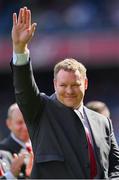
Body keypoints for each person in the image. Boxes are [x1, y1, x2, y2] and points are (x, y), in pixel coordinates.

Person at [11, 7, 119, 179]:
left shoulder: (103, 122)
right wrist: (20, 48)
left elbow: (115, 168)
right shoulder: (40, 111)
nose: (69, 91)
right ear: (54, 84)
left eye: (75, 85)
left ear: (85, 84)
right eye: (63, 85)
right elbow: (24, 88)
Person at [0, 103, 33, 179]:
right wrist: (11, 175)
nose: (25, 127)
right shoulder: (2, 152)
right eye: (20, 122)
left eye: (27, 121)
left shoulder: (42, 144)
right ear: (9, 124)